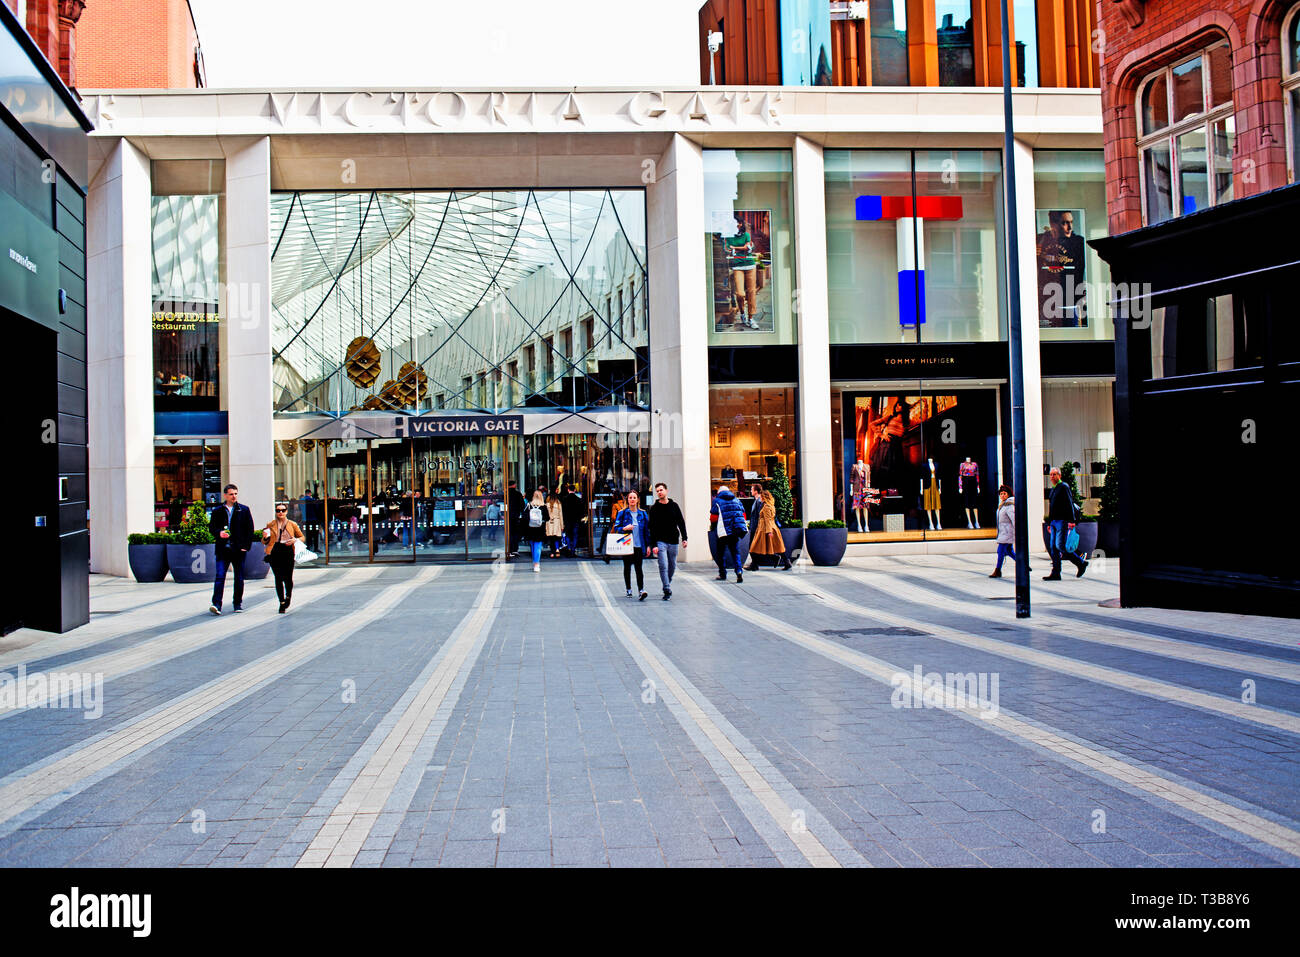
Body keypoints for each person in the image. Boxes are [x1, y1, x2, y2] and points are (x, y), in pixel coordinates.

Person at [209, 484, 255, 614]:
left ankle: (237, 604)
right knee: (220, 576)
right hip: (223, 549)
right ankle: (216, 604)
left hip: (238, 550)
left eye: (235, 493)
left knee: (239, 577)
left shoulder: (244, 510)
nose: (234, 496)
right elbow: (212, 528)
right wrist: (219, 533)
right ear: (225, 495)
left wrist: (246, 546)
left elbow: (249, 529)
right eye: (231, 494)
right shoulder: (218, 511)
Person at [1045, 466, 1088, 580]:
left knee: (1060, 546)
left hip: (1062, 521)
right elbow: (1052, 507)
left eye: (1054, 474)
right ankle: (1056, 573)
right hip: (1054, 522)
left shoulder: (1064, 487)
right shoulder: (1054, 489)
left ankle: (1080, 563)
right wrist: (1049, 523)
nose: (1052, 477)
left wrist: (1072, 520)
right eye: (1051, 475)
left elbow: (1069, 503)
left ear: (1059, 475)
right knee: (1053, 548)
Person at [648, 482, 688, 600]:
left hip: (673, 540)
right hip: (661, 541)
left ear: (666, 491)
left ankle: (667, 582)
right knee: (663, 565)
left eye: (661, 490)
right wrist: (653, 544)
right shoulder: (654, 509)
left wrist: (684, 538)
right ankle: (666, 588)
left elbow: (681, 522)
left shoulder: (674, 506)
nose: (659, 492)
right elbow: (652, 527)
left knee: (672, 565)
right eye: (658, 491)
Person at [262, 502, 305, 612]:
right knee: (278, 577)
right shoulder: (271, 524)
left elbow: (302, 537)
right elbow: (264, 541)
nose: (280, 512)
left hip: (287, 550)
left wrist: (295, 540)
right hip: (275, 550)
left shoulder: (292, 524)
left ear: (286, 512)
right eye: (278, 510)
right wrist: (265, 537)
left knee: (288, 577)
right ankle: (281, 602)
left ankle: (288, 597)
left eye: (282, 510)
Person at [614, 490, 651, 600]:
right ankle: (628, 589)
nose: (632, 500)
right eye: (630, 497)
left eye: (634, 497)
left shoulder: (643, 513)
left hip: (639, 545)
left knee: (639, 568)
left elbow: (646, 531)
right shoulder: (622, 513)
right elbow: (616, 527)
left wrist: (648, 545)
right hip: (627, 545)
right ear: (627, 500)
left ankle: (641, 590)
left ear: (638, 500)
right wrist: (625, 528)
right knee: (627, 568)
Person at [709, 485, 749, 583]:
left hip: (723, 532)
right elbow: (743, 515)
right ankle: (739, 571)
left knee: (720, 553)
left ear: (719, 493)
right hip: (734, 531)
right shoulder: (736, 500)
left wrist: (713, 526)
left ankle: (722, 573)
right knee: (735, 552)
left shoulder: (717, 501)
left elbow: (713, 517)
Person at [747, 490, 791, 571]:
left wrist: (769, 531)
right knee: (777, 547)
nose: (760, 499)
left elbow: (767, 520)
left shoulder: (766, 507)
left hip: (764, 529)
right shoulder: (771, 505)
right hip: (771, 528)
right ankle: (784, 561)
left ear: (764, 497)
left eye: (761, 497)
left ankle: (755, 565)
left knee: (754, 547)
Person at [990, 484, 1016, 578]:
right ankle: (1024, 565)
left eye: (1005, 493)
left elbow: (1014, 520)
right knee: (1009, 551)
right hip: (1003, 532)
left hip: (1007, 533)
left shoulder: (1009, 506)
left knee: (1000, 551)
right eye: (1001, 494)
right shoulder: (1003, 505)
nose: (1003, 495)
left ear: (1008, 494)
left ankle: (998, 570)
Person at [521, 489, 548, 572]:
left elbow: (524, 517)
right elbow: (547, 518)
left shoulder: (529, 505)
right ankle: (536, 563)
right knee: (538, 545)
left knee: (532, 545)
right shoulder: (543, 506)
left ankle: (535, 562)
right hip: (540, 528)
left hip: (530, 528)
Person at [561, 483, 585, 557]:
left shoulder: (564, 499)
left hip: (567, 520)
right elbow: (582, 511)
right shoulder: (578, 499)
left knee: (568, 534)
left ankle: (568, 548)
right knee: (575, 535)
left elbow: (563, 511)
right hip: (576, 520)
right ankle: (573, 550)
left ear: (568, 490)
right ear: (575, 490)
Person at [506, 480, 527, 556]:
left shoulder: (506, 494)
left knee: (508, 533)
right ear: (514, 485)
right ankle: (515, 549)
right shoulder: (518, 494)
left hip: (507, 516)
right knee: (515, 532)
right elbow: (522, 505)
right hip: (515, 516)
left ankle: (509, 549)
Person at [545, 491, 565, 558]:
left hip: (549, 522)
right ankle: (557, 549)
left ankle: (552, 552)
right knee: (557, 537)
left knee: (551, 538)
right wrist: (562, 526)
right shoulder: (558, 504)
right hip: (557, 521)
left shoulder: (546, 504)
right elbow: (561, 515)